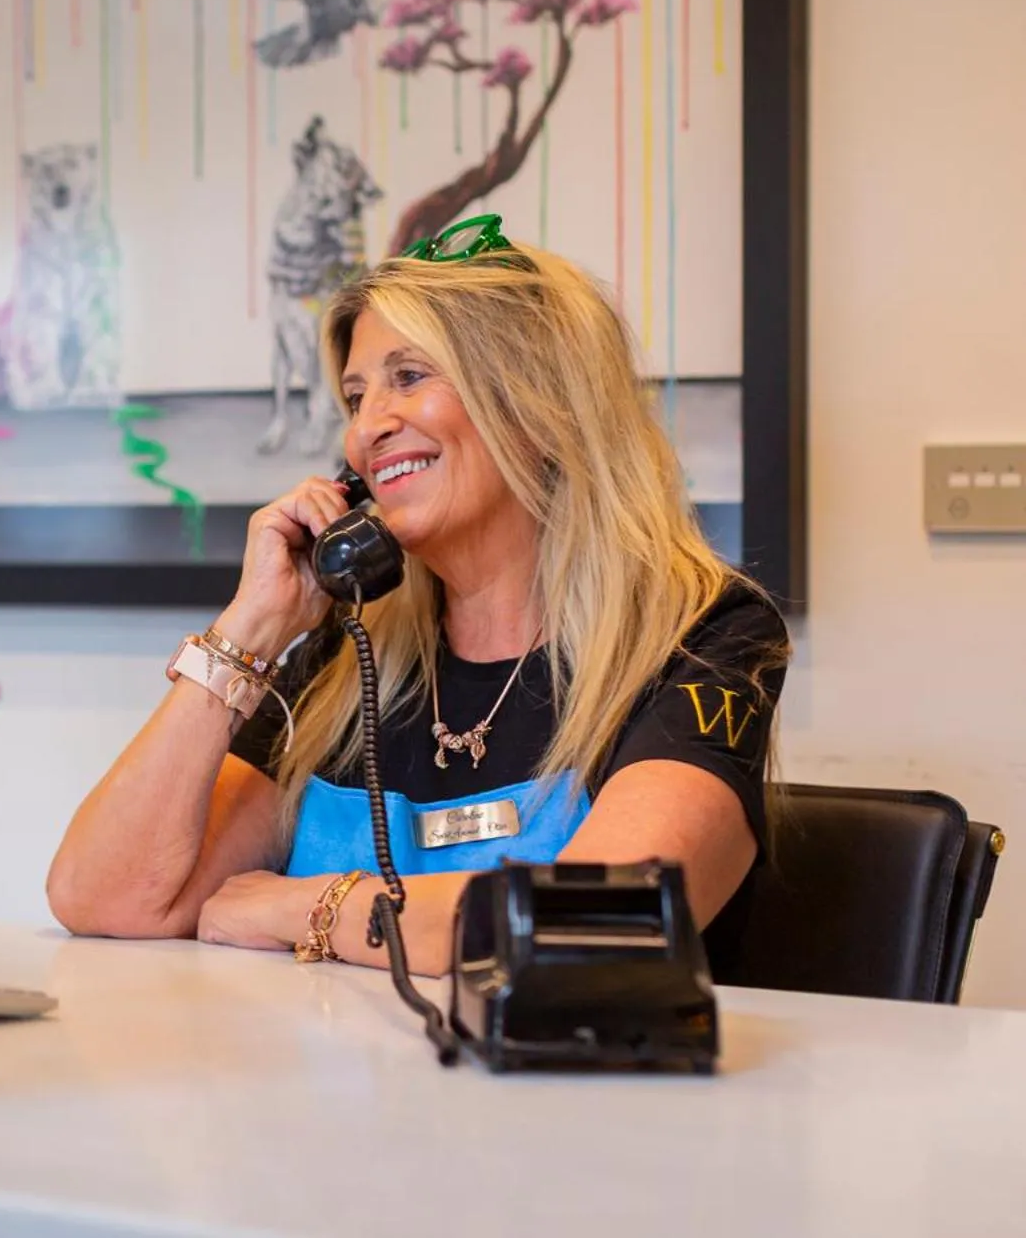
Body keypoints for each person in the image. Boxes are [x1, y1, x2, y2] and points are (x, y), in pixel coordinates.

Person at [45, 216, 788, 976]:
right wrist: (252, 629)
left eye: (409, 377)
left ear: (539, 404)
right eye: (357, 396)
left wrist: (312, 906)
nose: (369, 429)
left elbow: (603, 922)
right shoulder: (349, 652)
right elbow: (105, 897)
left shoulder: (701, 633)